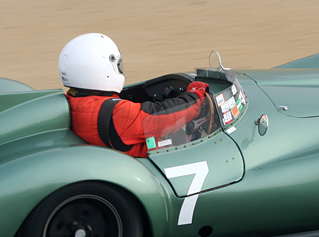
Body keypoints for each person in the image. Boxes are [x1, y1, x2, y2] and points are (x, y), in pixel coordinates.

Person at [59, 33, 209, 158]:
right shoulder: (116, 113)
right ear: (98, 68)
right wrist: (196, 96)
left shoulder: (75, 101)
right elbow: (161, 116)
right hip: (153, 168)